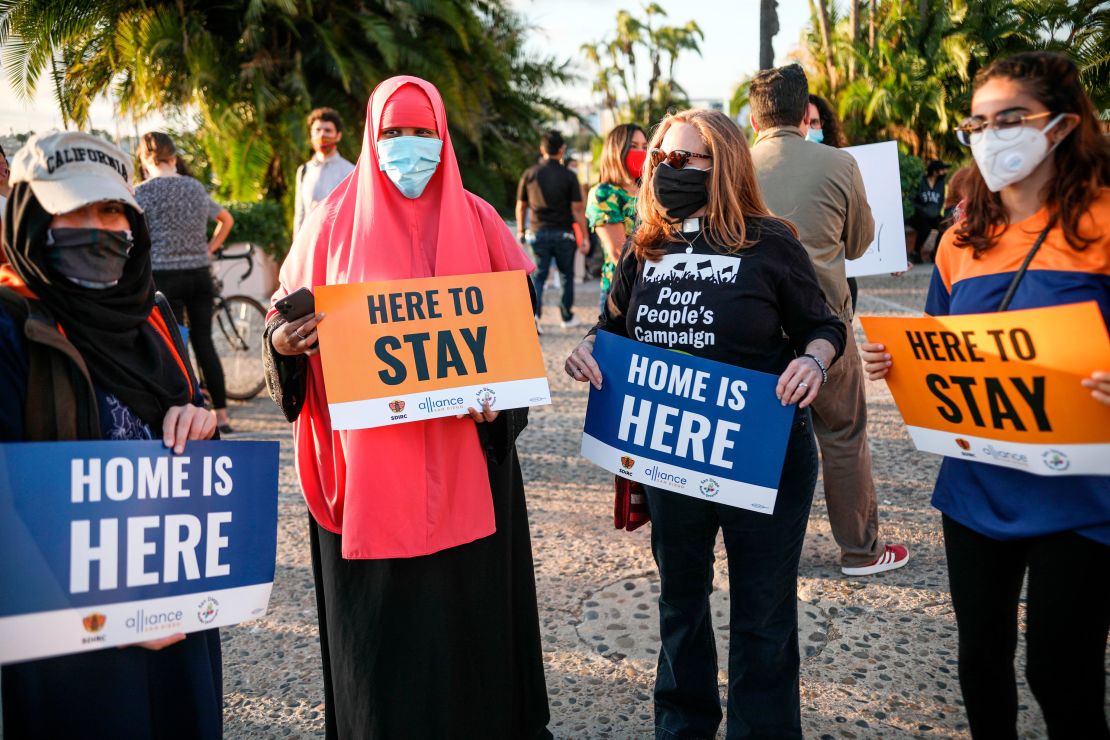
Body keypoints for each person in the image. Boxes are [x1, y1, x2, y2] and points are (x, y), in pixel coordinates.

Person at [262, 76, 550, 739]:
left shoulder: (480, 219)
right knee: (384, 654)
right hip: (367, 476)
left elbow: (515, 339)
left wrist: (500, 403)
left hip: (467, 467)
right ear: (371, 137)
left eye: (423, 134)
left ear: (443, 137)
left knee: (470, 633)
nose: (409, 149)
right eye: (394, 135)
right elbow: (280, 321)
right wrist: (282, 339)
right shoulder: (329, 222)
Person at [565, 108, 846, 739]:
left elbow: (823, 324)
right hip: (671, 456)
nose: (666, 169)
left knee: (763, 614)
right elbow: (611, 325)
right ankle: (682, 726)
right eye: (658, 157)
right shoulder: (645, 246)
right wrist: (588, 345)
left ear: (724, 164)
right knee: (680, 605)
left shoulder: (771, 241)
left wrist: (813, 361)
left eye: (684, 158)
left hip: (762, 457)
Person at [864, 51, 1110, 739]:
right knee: (981, 663)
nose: (991, 134)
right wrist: (899, 363)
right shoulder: (959, 241)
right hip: (976, 487)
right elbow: (944, 348)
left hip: (1082, 498)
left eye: (1011, 119)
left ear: (1061, 126)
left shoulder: (1103, 223)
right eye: (979, 120)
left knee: (1063, 675)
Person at [0, 131, 221, 738]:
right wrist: (103, 615)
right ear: (31, 215)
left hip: (177, 624)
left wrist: (201, 423)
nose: (96, 227)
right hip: (69, 653)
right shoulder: (11, 327)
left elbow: (200, 442)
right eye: (71, 209)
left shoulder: (153, 318)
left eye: (110, 210)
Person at [749, 63, 910, 576]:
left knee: (757, 439)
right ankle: (861, 551)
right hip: (826, 329)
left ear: (754, 120)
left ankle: (764, 550)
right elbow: (860, 244)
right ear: (805, 114)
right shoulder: (839, 164)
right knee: (842, 436)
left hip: (753, 332)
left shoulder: (732, 168)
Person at [136, 132, 236, 433]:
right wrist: (208, 249)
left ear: (144, 158)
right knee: (205, 342)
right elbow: (226, 219)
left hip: (164, 277)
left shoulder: (141, 193)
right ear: (173, 157)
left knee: (175, 345)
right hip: (199, 275)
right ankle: (222, 415)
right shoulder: (193, 187)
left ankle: (189, 412)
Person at [516, 130, 589, 328]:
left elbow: (521, 206)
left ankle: (535, 318)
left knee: (539, 275)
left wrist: (521, 230)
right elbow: (577, 208)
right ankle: (566, 317)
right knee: (566, 275)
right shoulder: (569, 176)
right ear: (562, 150)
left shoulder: (530, 174)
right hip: (564, 233)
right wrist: (584, 237)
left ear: (542, 149)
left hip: (537, 232)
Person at [806, 93, 861, 311]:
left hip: (838, 281)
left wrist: (891, 257)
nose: (809, 128)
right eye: (804, 122)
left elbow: (860, 224)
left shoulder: (845, 168)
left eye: (815, 122)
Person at [586, 123, 647, 316]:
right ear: (617, 150)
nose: (641, 152)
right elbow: (617, 251)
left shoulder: (650, 190)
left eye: (645, 147)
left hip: (655, 287)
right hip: (623, 289)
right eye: (633, 146)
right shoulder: (604, 193)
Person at [293, 107, 356, 235]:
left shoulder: (350, 171)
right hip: (308, 244)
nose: (322, 135)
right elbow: (299, 214)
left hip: (337, 244)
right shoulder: (303, 171)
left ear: (338, 136)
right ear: (311, 135)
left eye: (328, 130)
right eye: (317, 130)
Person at [910, 159, 949, 263]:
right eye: (942, 170)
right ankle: (916, 253)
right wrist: (923, 210)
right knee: (925, 228)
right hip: (919, 214)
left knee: (944, 226)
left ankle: (935, 253)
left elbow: (940, 201)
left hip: (933, 214)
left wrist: (935, 212)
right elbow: (913, 200)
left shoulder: (941, 183)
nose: (944, 172)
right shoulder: (921, 181)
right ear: (935, 171)